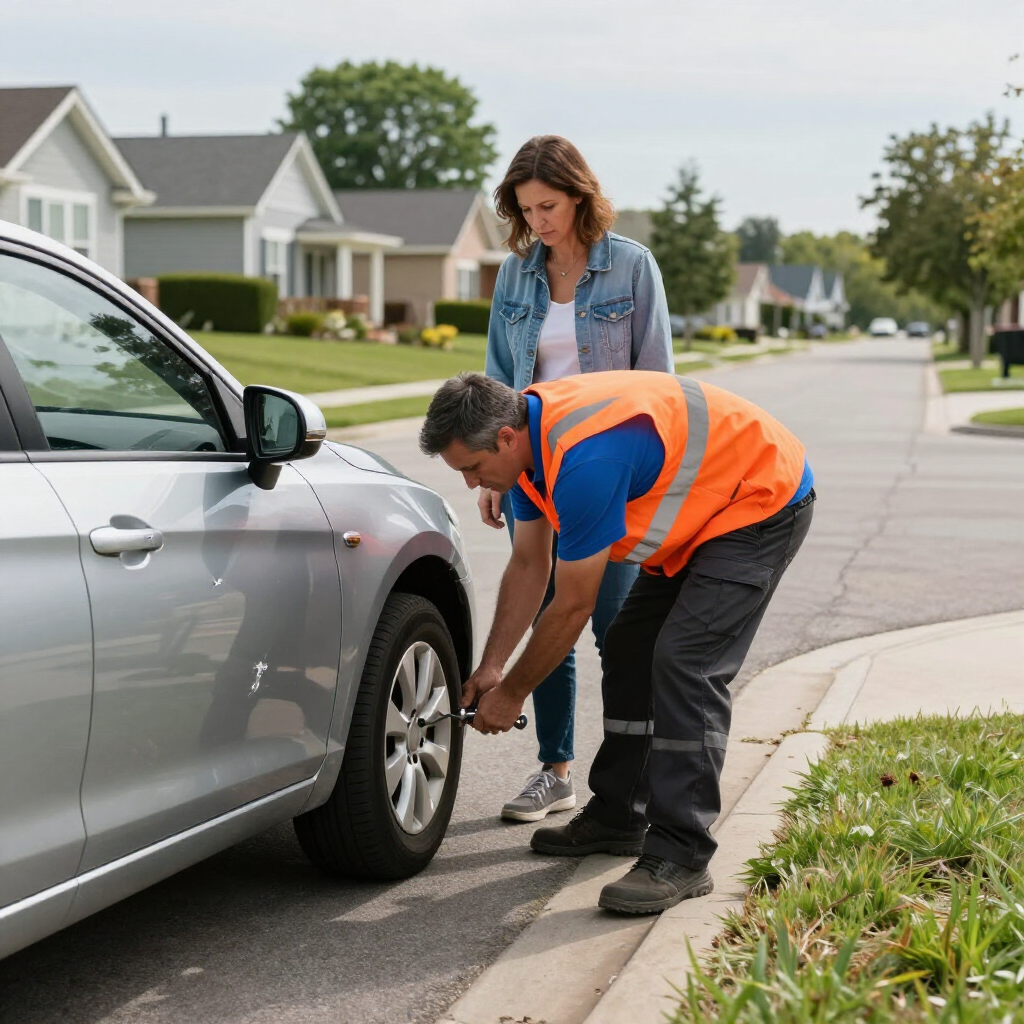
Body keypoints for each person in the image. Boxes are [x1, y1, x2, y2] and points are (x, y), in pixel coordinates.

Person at [419, 371, 815, 915]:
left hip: (759, 500)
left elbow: (573, 604)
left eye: (472, 468)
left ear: (506, 438)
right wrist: (492, 666)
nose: (472, 484)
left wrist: (511, 694)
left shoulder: (585, 460)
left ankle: (682, 852)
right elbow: (531, 564)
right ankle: (621, 814)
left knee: (686, 662)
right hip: (705, 517)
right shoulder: (530, 454)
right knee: (630, 644)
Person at [480, 135, 673, 823]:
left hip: (609, 469)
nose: (539, 222)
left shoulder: (631, 267)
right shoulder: (516, 274)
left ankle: (633, 777)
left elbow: (657, 379)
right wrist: (492, 471)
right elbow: (503, 376)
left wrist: (648, 482)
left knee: (614, 624)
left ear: (580, 197)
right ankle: (554, 769)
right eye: (528, 209)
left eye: (550, 206)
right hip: (533, 467)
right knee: (543, 612)